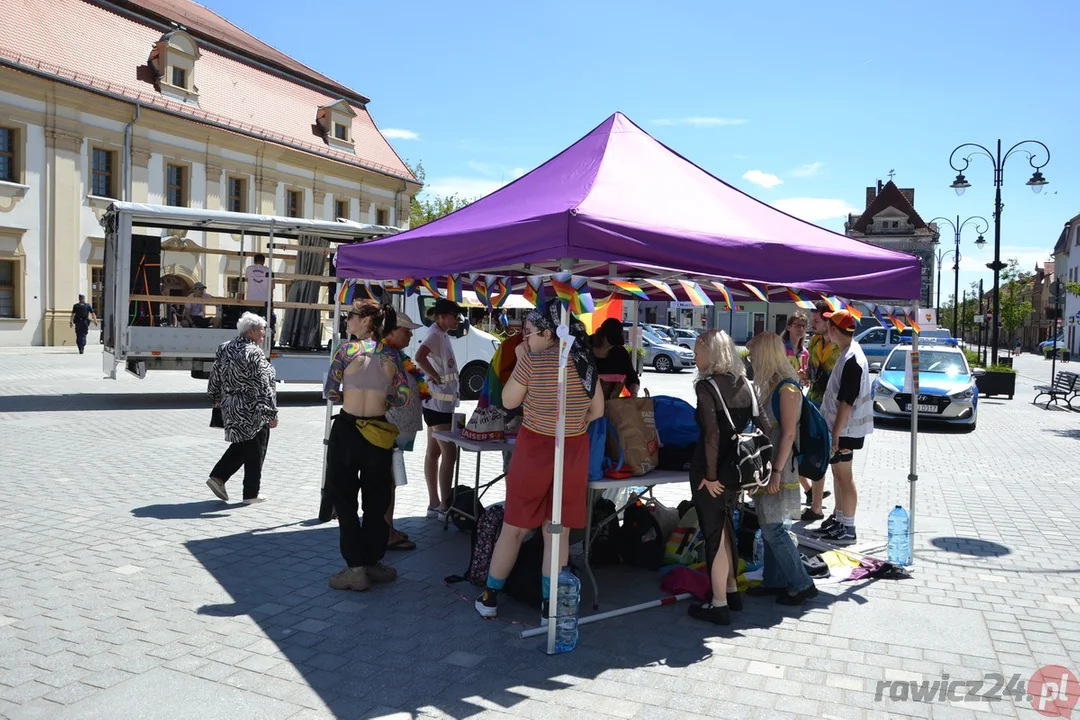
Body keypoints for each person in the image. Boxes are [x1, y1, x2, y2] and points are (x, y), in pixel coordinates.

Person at [474, 300, 604, 620]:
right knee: (555, 531)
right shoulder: (585, 362)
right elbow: (598, 410)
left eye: (529, 333)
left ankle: (490, 596)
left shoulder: (532, 360)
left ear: (548, 333)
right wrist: (576, 422)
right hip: (572, 449)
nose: (524, 339)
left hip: (533, 448)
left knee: (514, 527)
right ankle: (551, 607)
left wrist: (522, 360)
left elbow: (508, 400)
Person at [323, 300, 410, 591]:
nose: (348, 320)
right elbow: (402, 397)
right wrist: (381, 397)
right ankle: (373, 562)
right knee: (377, 499)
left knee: (344, 498)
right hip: (377, 431)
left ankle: (355, 568)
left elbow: (330, 391)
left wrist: (353, 393)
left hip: (348, 429)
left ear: (366, 322)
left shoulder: (346, 351)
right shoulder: (391, 355)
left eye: (352, 316)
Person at [688, 329, 768, 625]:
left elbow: (711, 434)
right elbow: (764, 426)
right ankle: (732, 591)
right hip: (737, 470)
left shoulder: (707, 386)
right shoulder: (746, 383)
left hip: (711, 469)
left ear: (711, 352)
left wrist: (709, 476)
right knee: (725, 529)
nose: (694, 355)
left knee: (714, 534)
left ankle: (718, 602)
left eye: (698, 349)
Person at [745, 332, 818, 605]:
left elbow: (788, 434)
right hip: (770, 465)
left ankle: (802, 583)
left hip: (780, 466)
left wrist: (775, 471)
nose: (750, 360)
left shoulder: (787, 388)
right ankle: (774, 581)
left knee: (774, 528)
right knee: (769, 525)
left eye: (753, 355)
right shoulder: (774, 385)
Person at [812, 309, 873, 546]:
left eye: (829, 325)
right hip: (842, 429)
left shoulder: (852, 359)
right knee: (838, 475)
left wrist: (835, 433)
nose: (825, 327)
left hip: (845, 431)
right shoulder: (847, 353)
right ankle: (840, 520)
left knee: (844, 477)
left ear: (834, 330)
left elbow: (846, 402)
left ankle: (848, 526)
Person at [206, 312, 277, 505]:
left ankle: (218, 478)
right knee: (256, 451)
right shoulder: (254, 352)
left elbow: (215, 376)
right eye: (262, 330)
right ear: (251, 331)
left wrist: (215, 398)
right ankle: (250, 494)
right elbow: (263, 385)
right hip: (253, 408)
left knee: (243, 445)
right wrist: (271, 412)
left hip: (231, 406)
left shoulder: (225, 348)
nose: (264, 333)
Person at [415, 298, 461, 519]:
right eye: (455, 316)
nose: (457, 320)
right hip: (438, 405)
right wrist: (433, 375)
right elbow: (419, 356)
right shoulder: (435, 334)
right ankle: (444, 505)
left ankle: (434, 502)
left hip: (439, 403)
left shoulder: (440, 333)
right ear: (442, 316)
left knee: (433, 452)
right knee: (449, 454)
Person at [384, 311, 425, 551]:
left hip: (398, 432)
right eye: (405, 330)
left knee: (390, 482)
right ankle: (385, 532)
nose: (410, 334)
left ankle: (388, 527)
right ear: (390, 332)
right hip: (389, 431)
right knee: (386, 483)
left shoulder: (396, 355)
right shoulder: (385, 356)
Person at [801, 301, 839, 521]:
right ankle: (816, 506)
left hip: (833, 408)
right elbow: (812, 371)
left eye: (816, 321)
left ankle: (834, 511)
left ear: (828, 321)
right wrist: (806, 374)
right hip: (814, 403)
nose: (812, 324)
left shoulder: (840, 345)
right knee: (816, 454)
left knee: (832, 459)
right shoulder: (815, 341)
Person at [591, 318, 641, 397]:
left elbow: (632, 376)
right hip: (585, 399)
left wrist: (634, 393)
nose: (612, 346)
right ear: (603, 336)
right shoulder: (586, 347)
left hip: (611, 401)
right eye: (611, 342)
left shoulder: (620, 352)